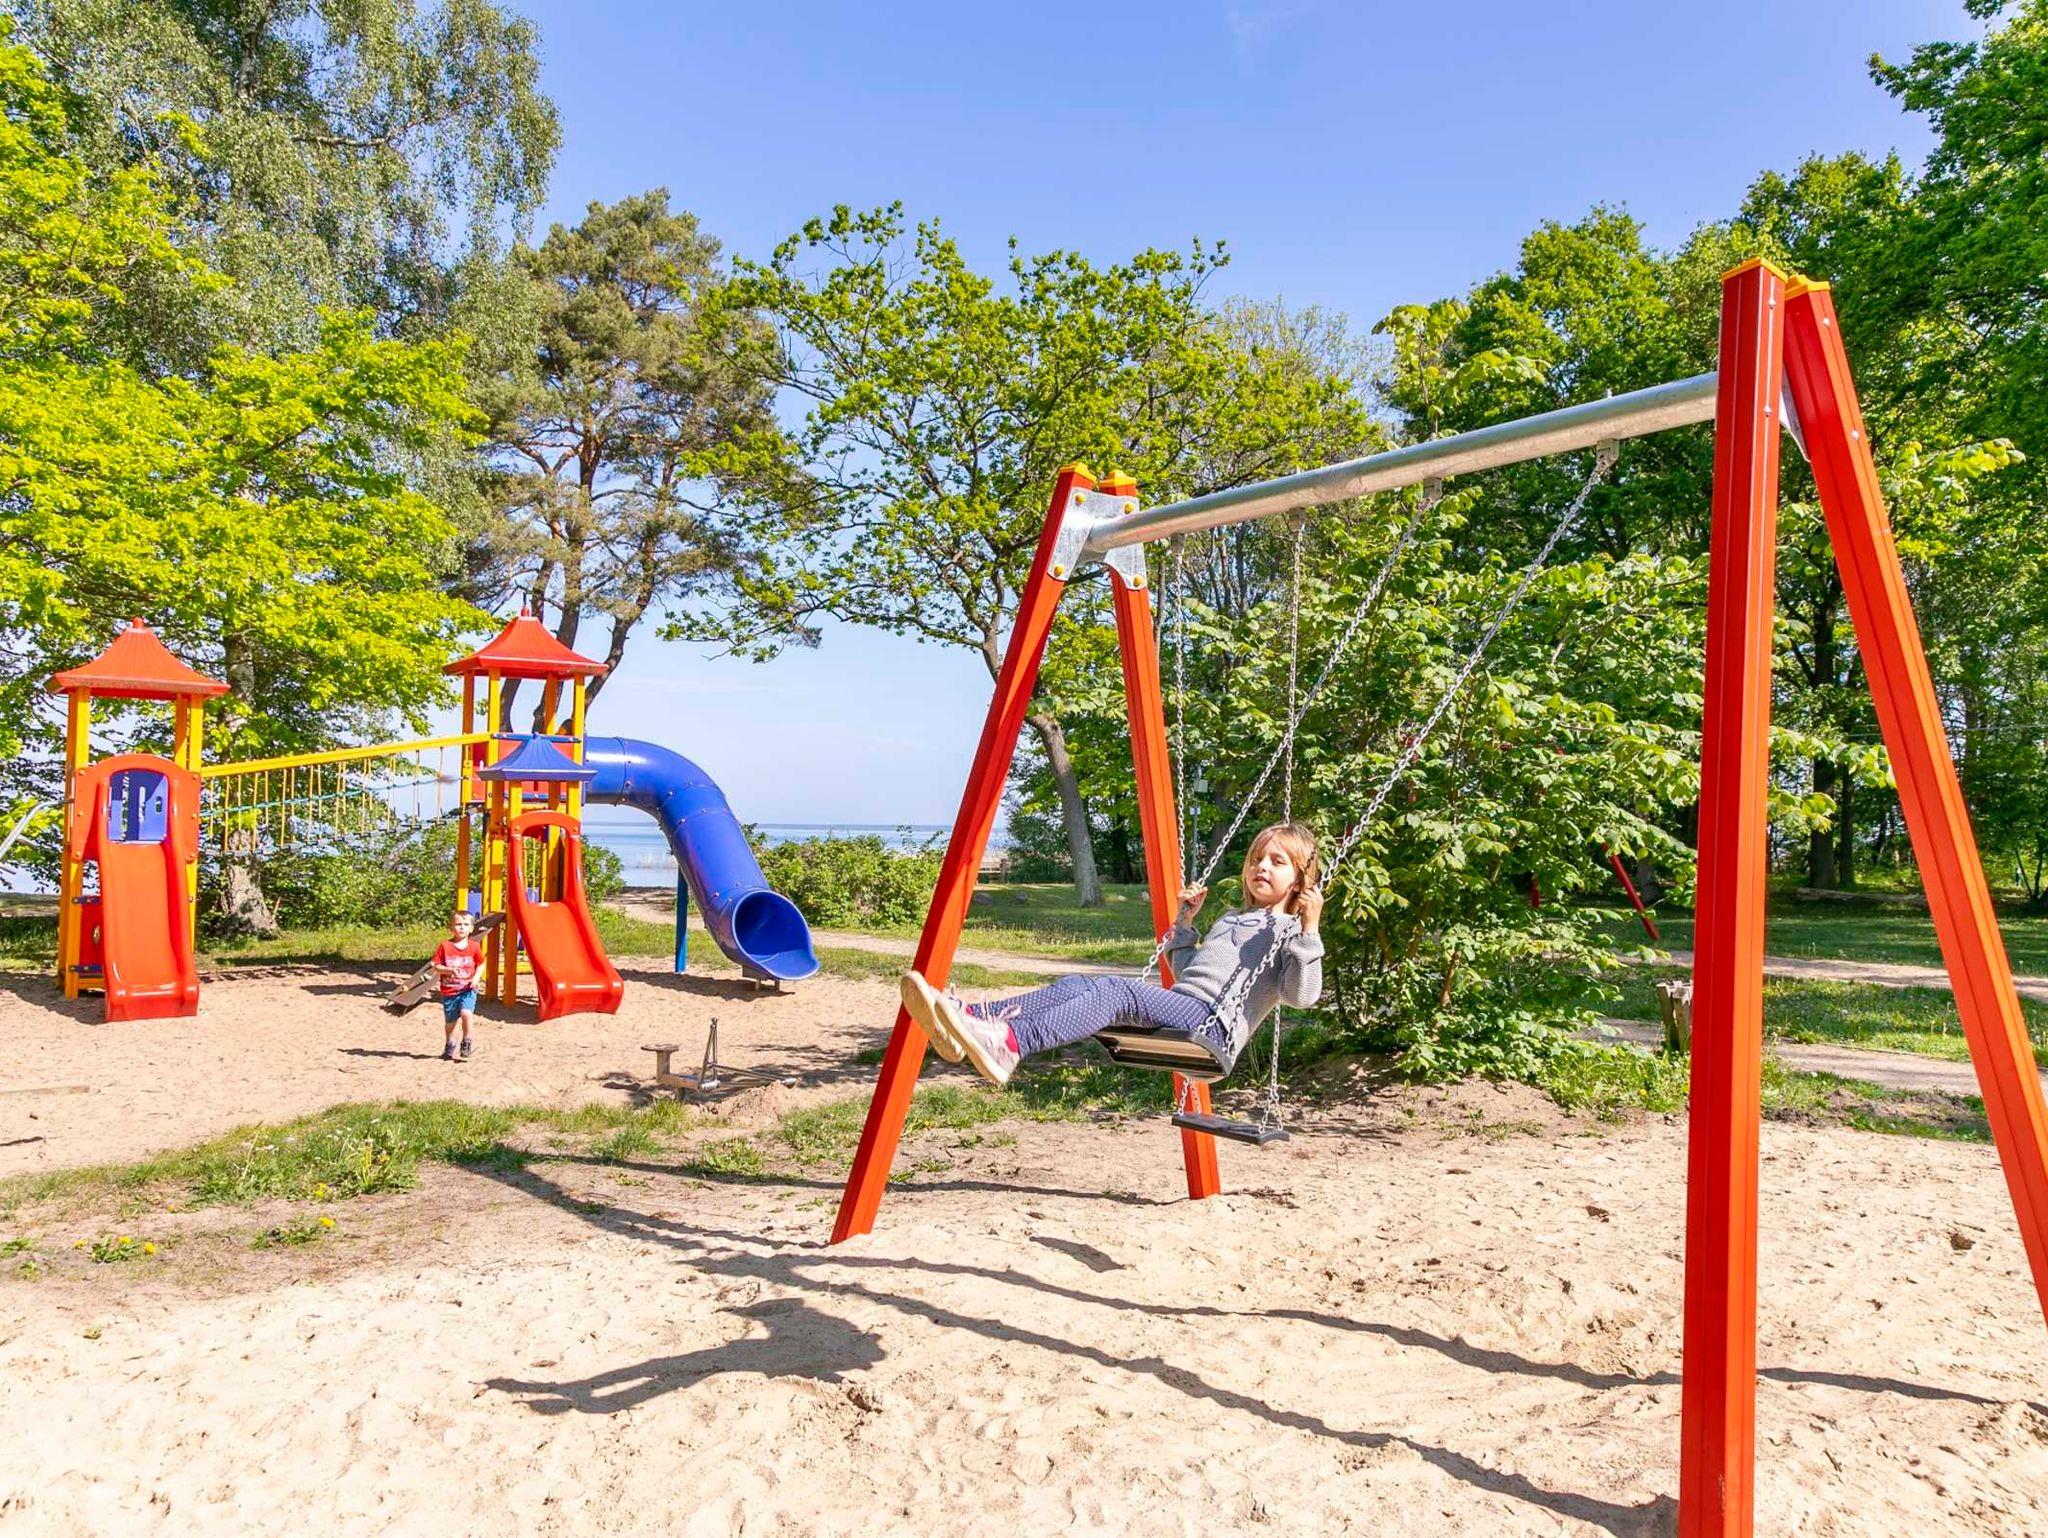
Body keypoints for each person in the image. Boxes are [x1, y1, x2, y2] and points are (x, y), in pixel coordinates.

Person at [901, 822, 1324, 1085]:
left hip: (1213, 1030)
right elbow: (1186, 972)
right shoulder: (1231, 918)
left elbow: (1301, 996)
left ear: (1300, 880)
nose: (1261, 867)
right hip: (1185, 1008)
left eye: (1277, 862)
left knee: (1116, 992)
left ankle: (1012, 1042)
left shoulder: (1290, 933)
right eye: (1256, 859)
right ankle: (975, 1019)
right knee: (1079, 983)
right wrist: (1185, 923)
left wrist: (1309, 930)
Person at [431, 910, 481, 1062]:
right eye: (458, 924)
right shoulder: (445, 946)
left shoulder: (474, 946)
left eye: (466, 924)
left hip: (467, 990)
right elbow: (436, 965)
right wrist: (448, 970)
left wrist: (476, 979)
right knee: (450, 1023)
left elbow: (481, 964)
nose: (462, 927)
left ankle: (467, 1041)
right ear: (451, 928)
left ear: (471, 928)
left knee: (466, 1014)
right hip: (450, 991)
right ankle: (450, 1042)